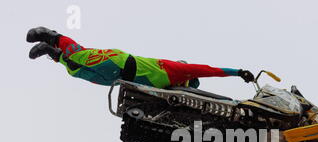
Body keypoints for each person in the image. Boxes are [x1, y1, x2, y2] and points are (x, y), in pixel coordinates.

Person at [26, 27, 255, 88]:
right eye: (188, 83)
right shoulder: (174, 70)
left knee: (76, 71)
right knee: (80, 56)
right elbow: (207, 70)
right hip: (120, 62)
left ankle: (53, 53)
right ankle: (52, 36)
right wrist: (238, 72)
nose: (185, 86)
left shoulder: (170, 91)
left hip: (118, 80)